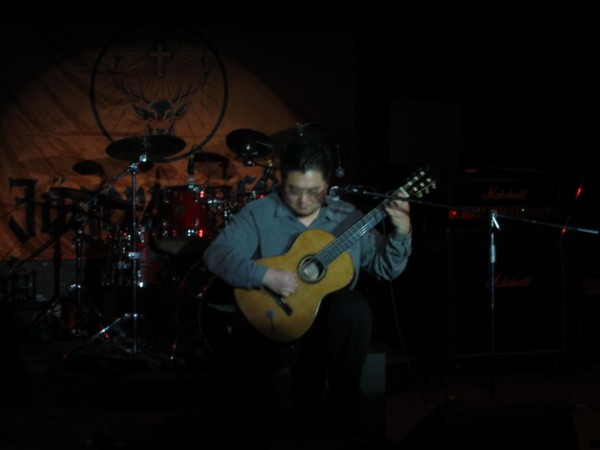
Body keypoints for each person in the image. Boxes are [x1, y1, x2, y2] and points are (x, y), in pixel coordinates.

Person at [200, 139, 412, 446]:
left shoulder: (348, 217)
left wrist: (402, 231)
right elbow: (217, 254)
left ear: (327, 184)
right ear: (282, 180)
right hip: (273, 321)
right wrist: (265, 275)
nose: (302, 200)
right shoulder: (260, 212)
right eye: (293, 190)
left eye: (313, 191)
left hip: (326, 328)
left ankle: (344, 406)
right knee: (246, 397)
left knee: (353, 307)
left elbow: (385, 269)